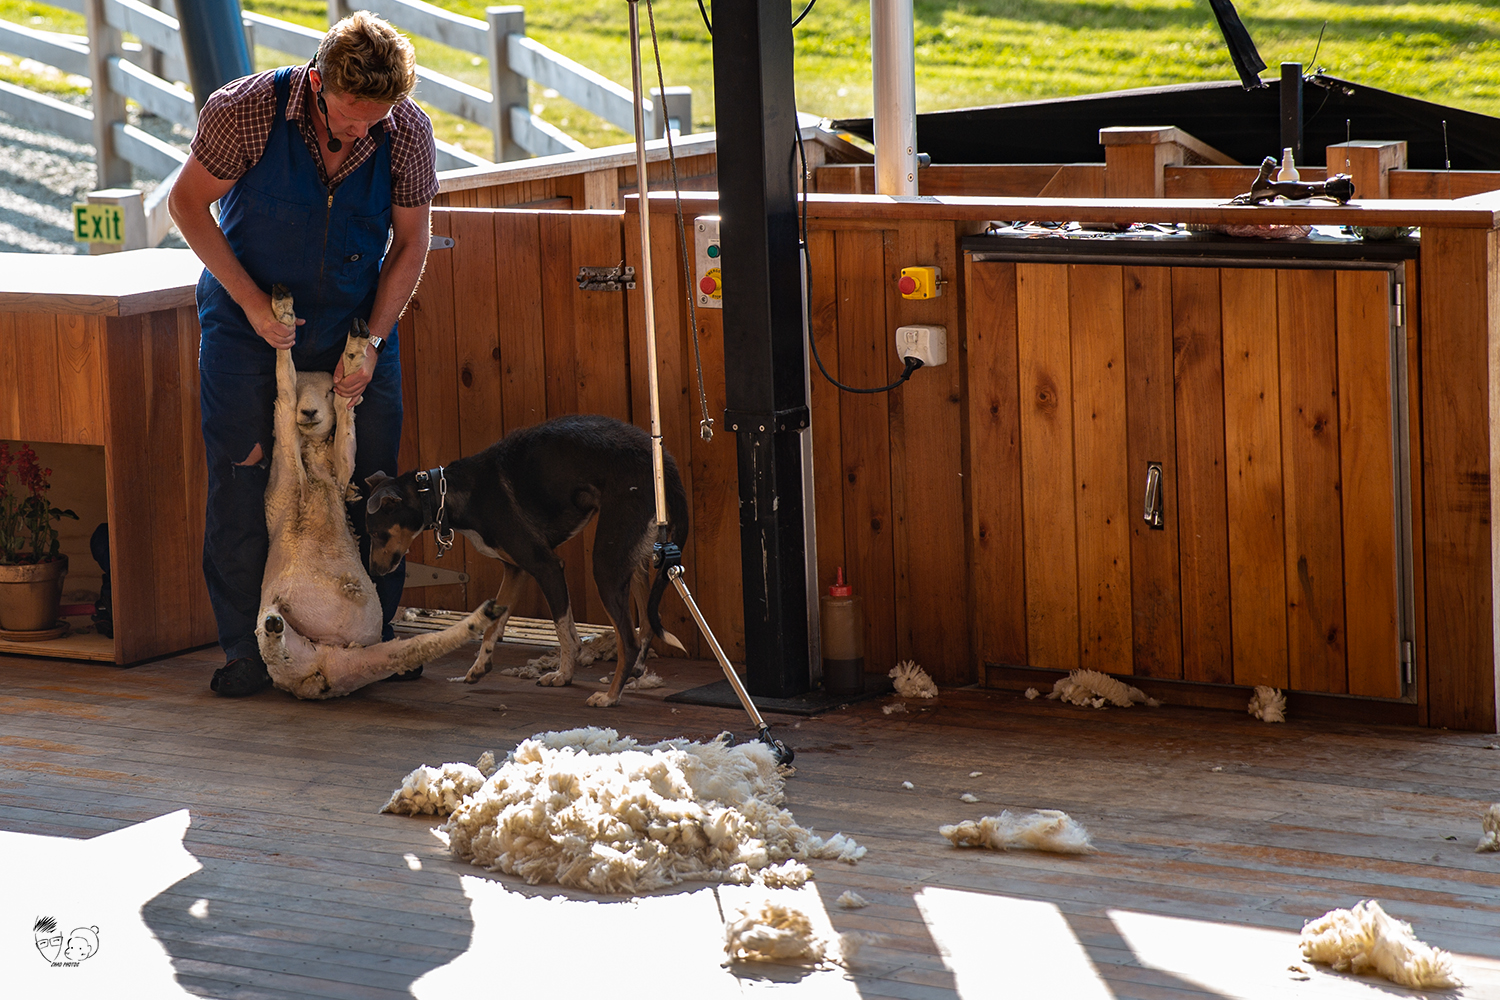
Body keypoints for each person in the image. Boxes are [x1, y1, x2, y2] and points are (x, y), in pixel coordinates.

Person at [168, 12, 437, 696]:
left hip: (354, 317)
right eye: (350, 119)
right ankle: (247, 648)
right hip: (244, 312)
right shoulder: (247, 111)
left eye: (374, 120)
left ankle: (370, 636)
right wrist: (254, 306)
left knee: (373, 473)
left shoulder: (405, 132)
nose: (360, 133)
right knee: (244, 472)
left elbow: (410, 245)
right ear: (318, 84)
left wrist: (373, 340)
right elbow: (187, 205)